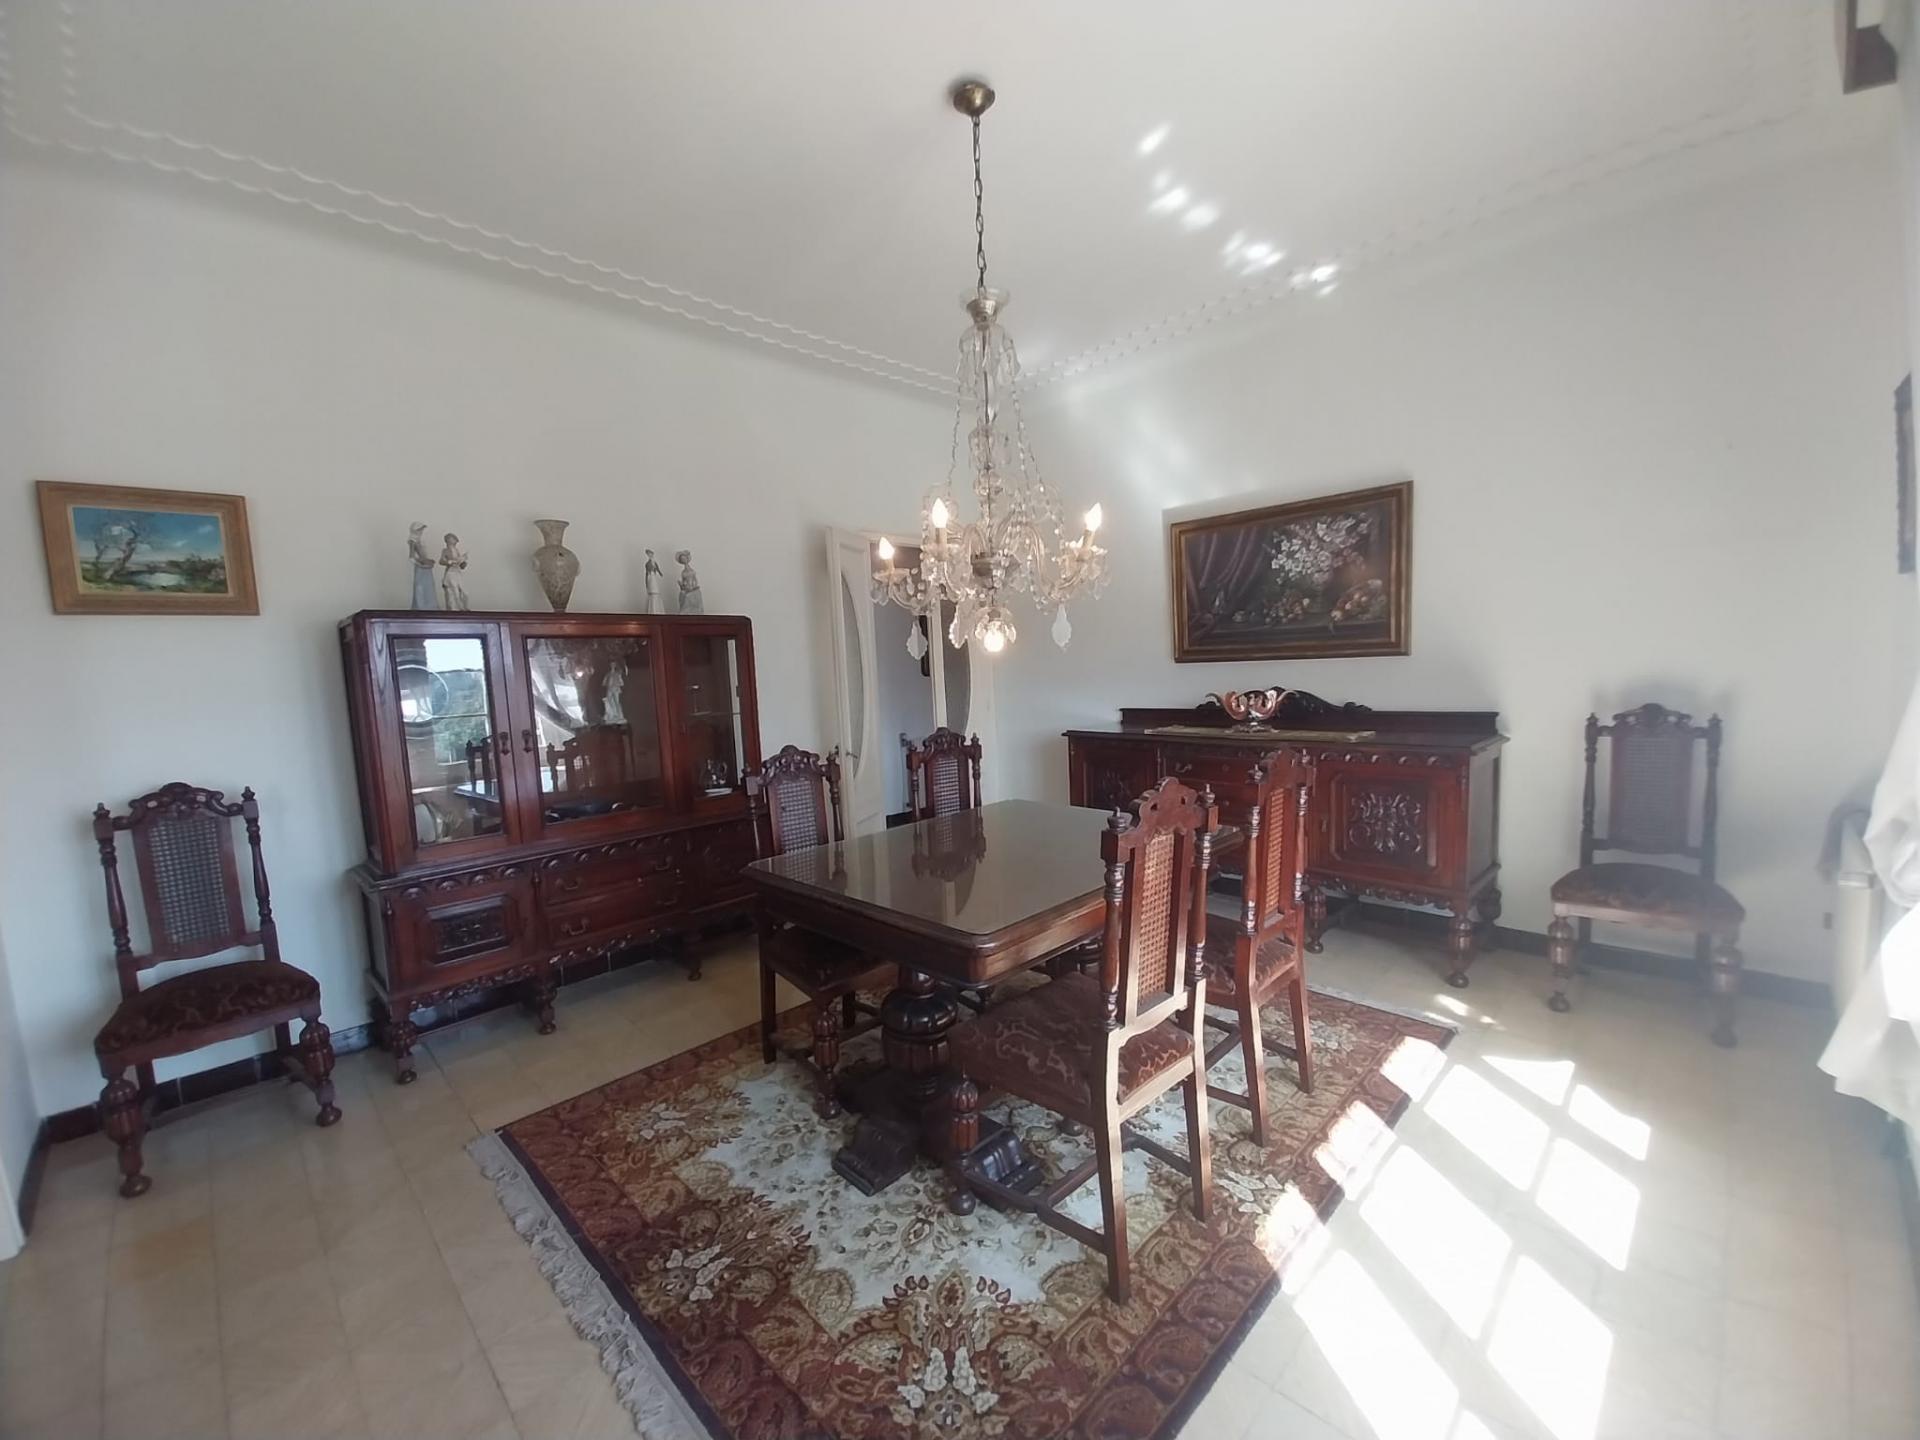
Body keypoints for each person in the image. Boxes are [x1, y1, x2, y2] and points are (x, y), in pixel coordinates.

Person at [408, 522, 437, 609]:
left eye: (422, 530)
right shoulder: (412, 541)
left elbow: (423, 555)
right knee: (420, 587)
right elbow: (411, 557)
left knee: (428, 587)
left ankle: (430, 606)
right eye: (420, 530)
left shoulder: (419, 540)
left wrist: (428, 561)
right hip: (421, 568)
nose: (421, 532)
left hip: (426, 567)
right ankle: (421, 607)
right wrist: (421, 564)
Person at [439, 533, 470, 610]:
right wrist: (450, 562)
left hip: (457, 572)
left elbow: (460, 564)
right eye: (452, 539)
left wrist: (463, 562)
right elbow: (441, 561)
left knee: (464, 592)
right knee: (454, 592)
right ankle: (457, 609)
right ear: (448, 541)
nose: (454, 540)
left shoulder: (457, 550)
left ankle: (464, 607)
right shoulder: (445, 550)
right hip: (451, 573)